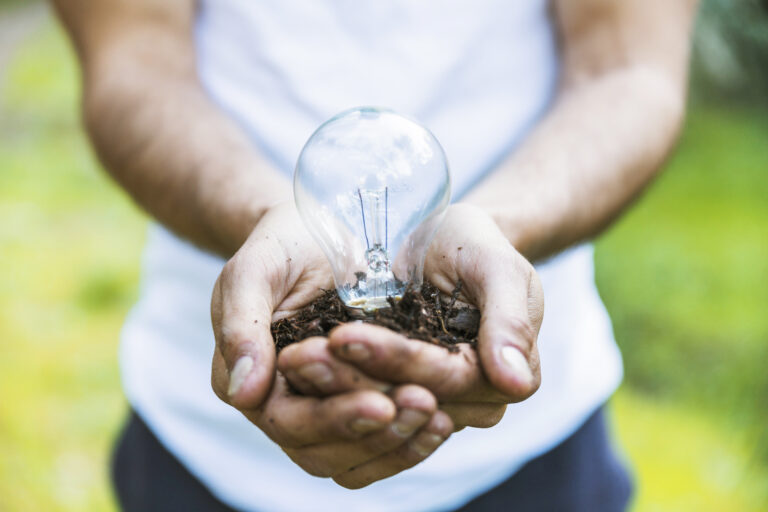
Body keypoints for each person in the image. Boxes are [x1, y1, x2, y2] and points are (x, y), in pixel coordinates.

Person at [53, 0, 698, 510]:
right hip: (202, 444)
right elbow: (133, 63)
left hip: (531, 454)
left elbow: (628, 70)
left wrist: (495, 228)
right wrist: (261, 219)